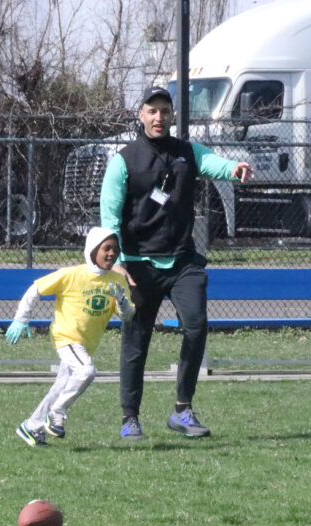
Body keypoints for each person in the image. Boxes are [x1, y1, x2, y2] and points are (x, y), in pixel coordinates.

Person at [100, 86, 253, 440]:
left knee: (197, 326)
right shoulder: (123, 160)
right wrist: (117, 261)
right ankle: (130, 418)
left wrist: (234, 169)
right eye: (152, 111)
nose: (158, 117)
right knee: (136, 342)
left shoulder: (186, 153)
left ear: (171, 115)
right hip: (138, 264)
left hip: (183, 261)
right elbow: (109, 216)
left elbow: (214, 163)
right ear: (140, 114)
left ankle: (182, 411)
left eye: (165, 111)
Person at [6, 227, 135, 446]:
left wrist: (122, 302)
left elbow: (128, 316)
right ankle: (57, 412)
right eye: (107, 248)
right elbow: (35, 289)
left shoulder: (117, 280)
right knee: (86, 371)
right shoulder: (72, 274)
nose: (112, 253)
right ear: (93, 250)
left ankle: (31, 427)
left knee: (61, 387)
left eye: (115, 249)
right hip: (66, 338)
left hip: (86, 344)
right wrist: (21, 318)